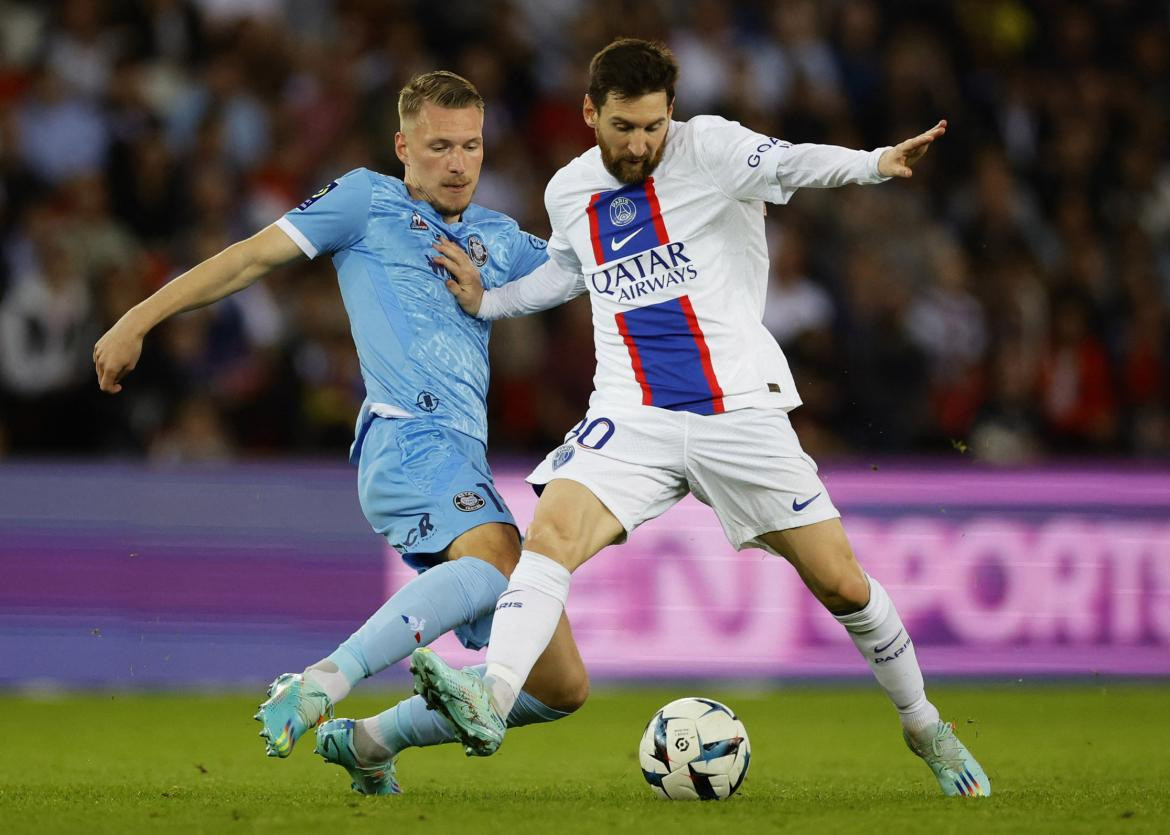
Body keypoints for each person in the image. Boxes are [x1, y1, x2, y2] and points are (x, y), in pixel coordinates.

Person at [411, 39, 990, 798]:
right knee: (547, 534)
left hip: (738, 414)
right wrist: (489, 300)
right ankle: (489, 699)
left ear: (671, 113)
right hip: (632, 413)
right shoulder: (569, 192)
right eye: (623, 126)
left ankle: (924, 726)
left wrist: (874, 161)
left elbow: (790, 163)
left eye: (653, 125)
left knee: (844, 586)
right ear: (591, 113)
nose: (641, 143)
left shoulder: (712, 147)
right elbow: (565, 271)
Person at [92, 71, 589, 796]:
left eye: (472, 146)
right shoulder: (367, 200)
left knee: (556, 682)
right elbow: (251, 256)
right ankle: (325, 678)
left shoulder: (498, 238)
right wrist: (137, 317)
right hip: (408, 440)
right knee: (498, 559)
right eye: (440, 146)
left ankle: (367, 740)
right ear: (403, 146)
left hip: (462, 460)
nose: (458, 162)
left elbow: (592, 274)